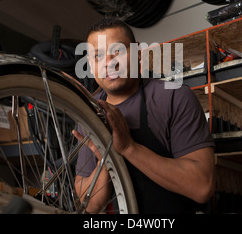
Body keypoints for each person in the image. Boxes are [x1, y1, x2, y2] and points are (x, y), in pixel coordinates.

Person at [73, 18, 215, 214]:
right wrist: (107, 161)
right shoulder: (88, 111)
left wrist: (129, 148)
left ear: (138, 53)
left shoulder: (173, 97)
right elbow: (89, 206)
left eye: (118, 51)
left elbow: (202, 187)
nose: (109, 63)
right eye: (97, 56)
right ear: (90, 64)